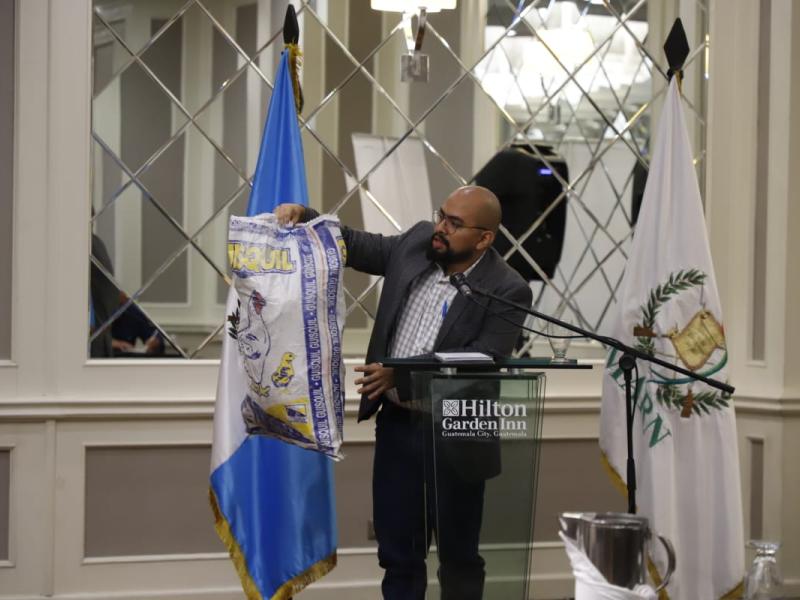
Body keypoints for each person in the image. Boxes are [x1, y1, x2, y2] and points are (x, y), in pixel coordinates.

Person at [275, 185, 532, 600]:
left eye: (454, 223)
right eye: (441, 215)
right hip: (399, 426)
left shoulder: (507, 288)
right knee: (398, 554)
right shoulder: (417, 243)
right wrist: (305, 216)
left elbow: (484, 359)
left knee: (459, 556)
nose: (440, 228)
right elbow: (356, 244)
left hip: (458, 431)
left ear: (484, 238)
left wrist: (403, 375)